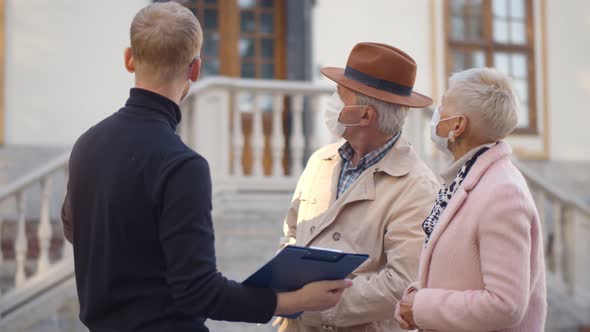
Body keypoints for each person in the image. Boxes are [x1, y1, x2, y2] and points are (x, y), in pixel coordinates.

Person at [60, 3, 351, 331]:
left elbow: (78, 231)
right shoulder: (182, 165)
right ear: (196, 69)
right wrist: (295, 301)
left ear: (129, 58)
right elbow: (198, 292)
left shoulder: (87, 144)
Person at [277, 42, 440, 332]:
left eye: (340, 95)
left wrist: (312, 306)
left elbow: (402, 283)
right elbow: (291, 231)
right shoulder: (321, 161)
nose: (331, 102)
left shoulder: (418, 187)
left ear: (365, 115)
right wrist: (284, 286)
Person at [394, 67, 547, 331]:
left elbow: (504, 304)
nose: (437, 111)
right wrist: (416, 297)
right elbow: (464, 273)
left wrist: (422, 307)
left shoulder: (503, 193)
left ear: (458, 125)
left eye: (443, 103)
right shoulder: (469, 176)